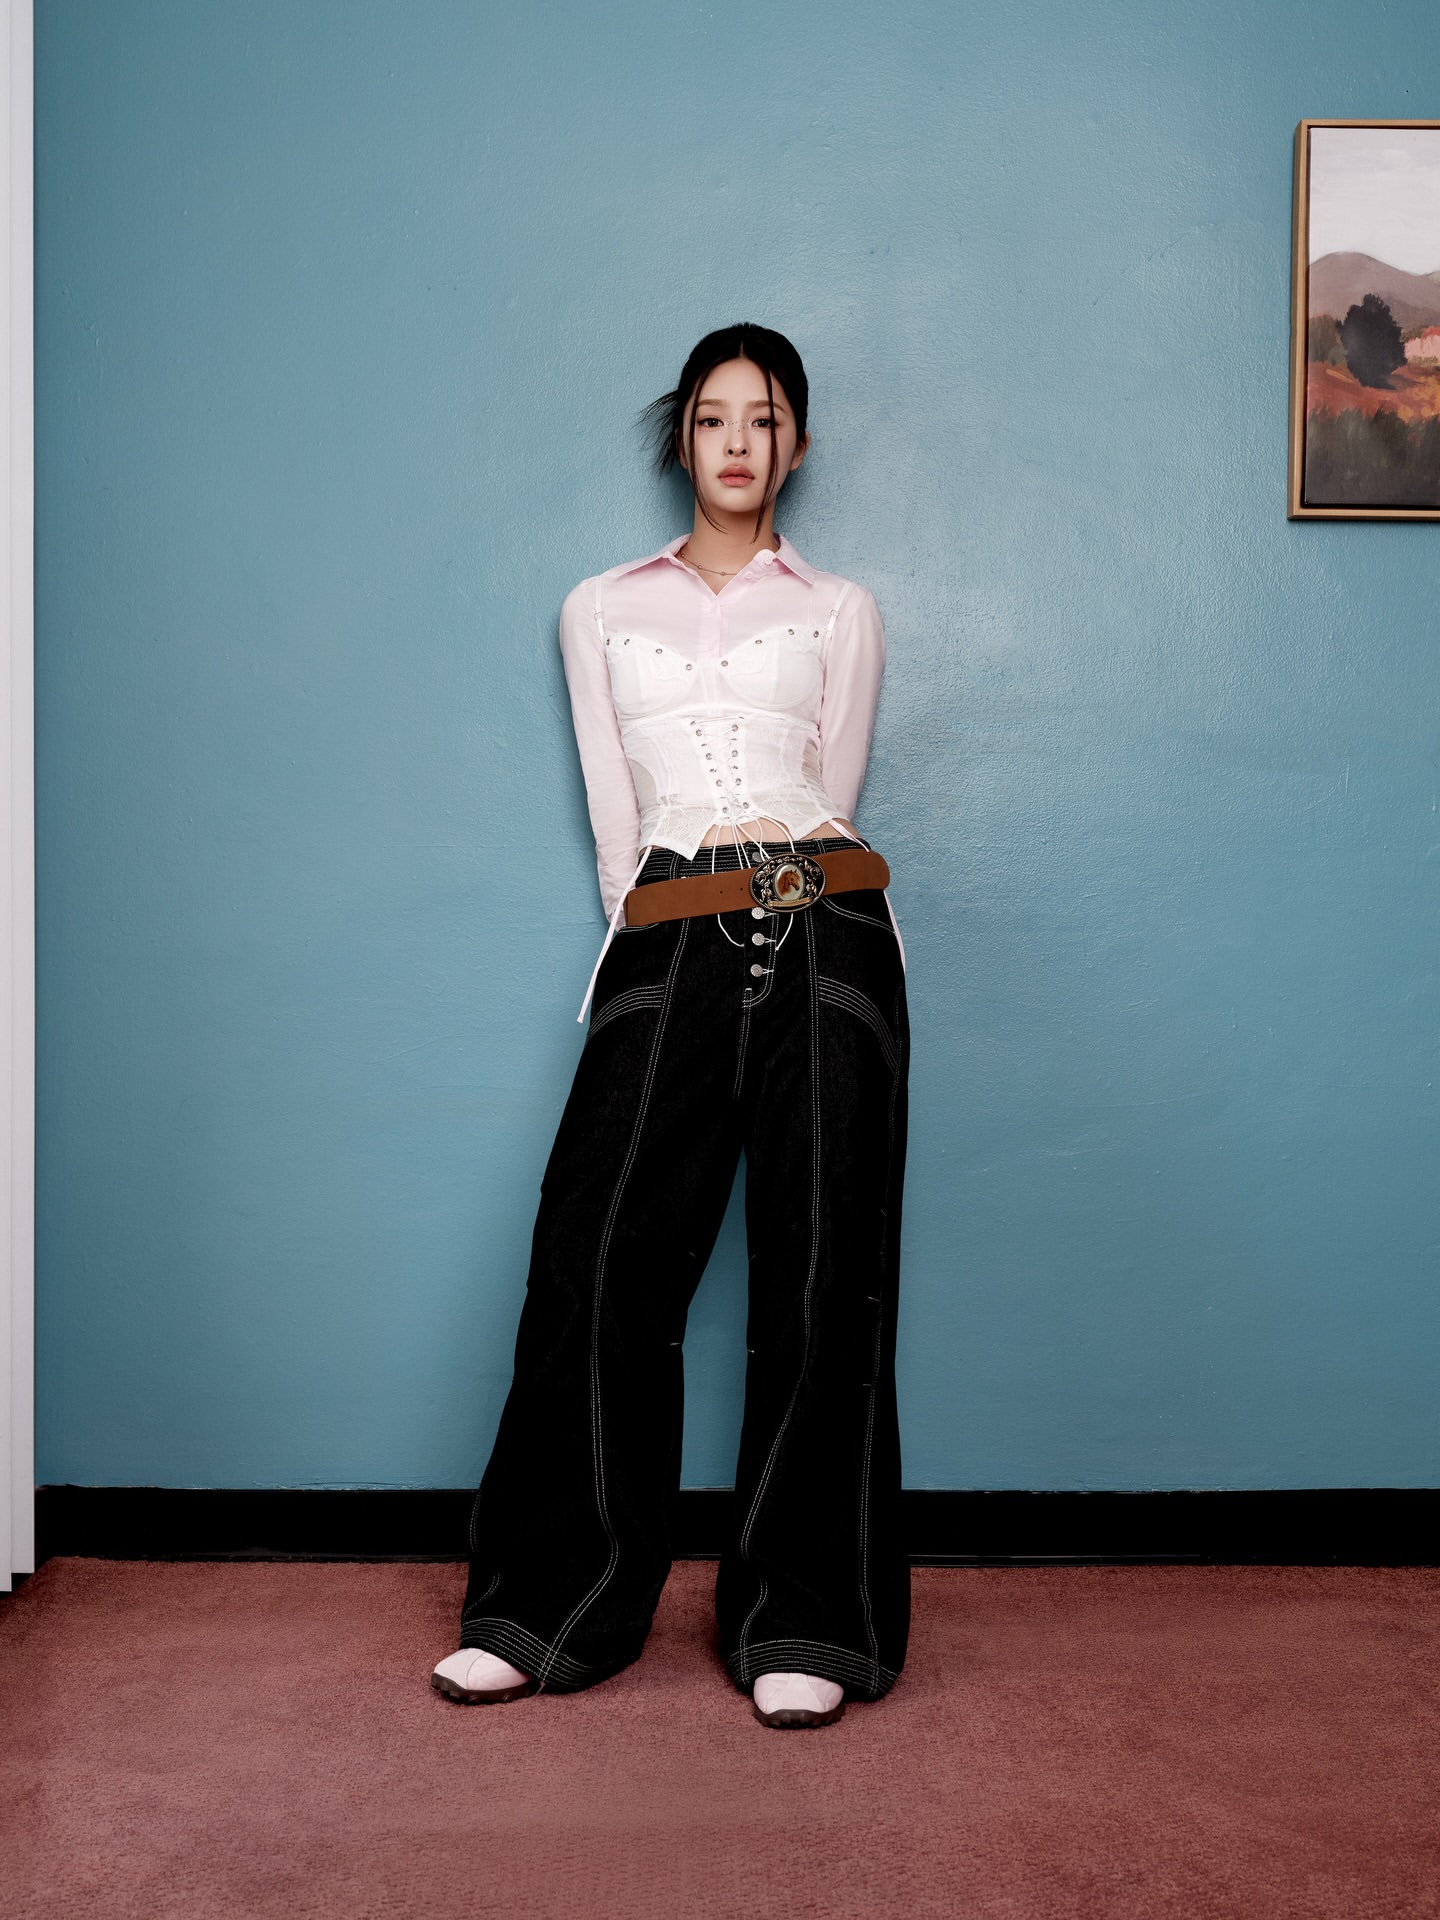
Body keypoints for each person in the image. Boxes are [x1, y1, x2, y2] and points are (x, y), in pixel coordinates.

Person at [431, 323, 910, 1729]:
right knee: (595, 1258)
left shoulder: (841, 610)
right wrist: (652, 949)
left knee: (823, 1271)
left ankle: (806, 1621)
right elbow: (614, 819)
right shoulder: (597, 608)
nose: (738, 443)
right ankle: (548, 1607)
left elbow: (835, 792)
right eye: (713, 418)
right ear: (682, 439)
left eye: (765, 420)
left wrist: (786, 907)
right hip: (668, 922)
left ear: (797, 446)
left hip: (825, 915)